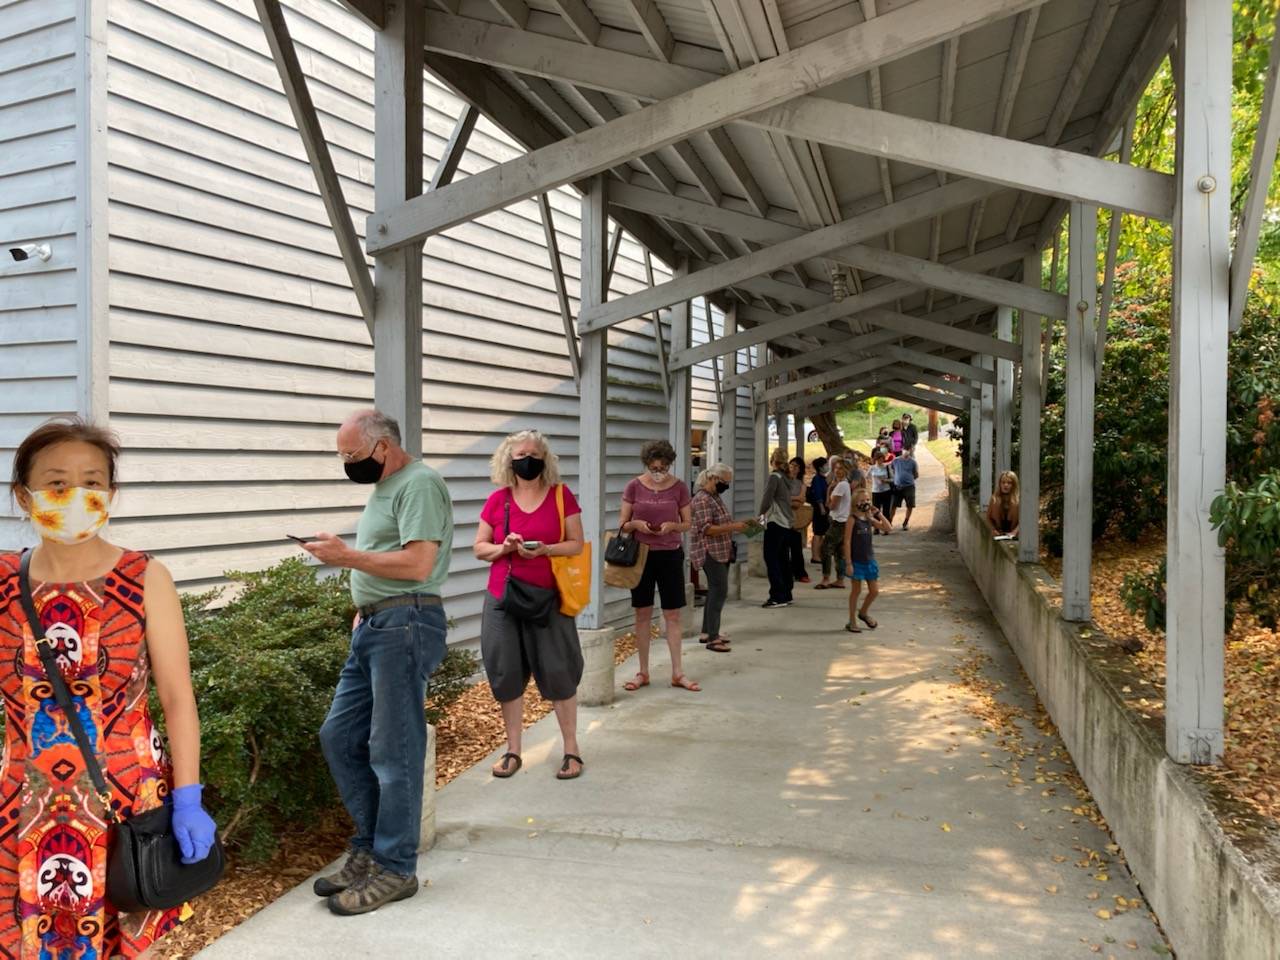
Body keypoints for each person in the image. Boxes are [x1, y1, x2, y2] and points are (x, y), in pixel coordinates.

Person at [0, 418, 217, 956]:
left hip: (123, 806)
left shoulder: (145, 578)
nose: (75, 494)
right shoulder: (3, 581)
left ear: (111, 494)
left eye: (92, 482)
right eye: (55, 483)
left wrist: (188, 797)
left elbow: (176, 698)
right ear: (24, 497)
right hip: (23, 803)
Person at [307, 409, 452, 915]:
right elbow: (384, 559)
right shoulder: (384, 490)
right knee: (340, 737)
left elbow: (418, 563)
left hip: (406, 625)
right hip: (376, 626)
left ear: (383, 446)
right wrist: (362, 610)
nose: (347, 463)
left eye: (352, 455)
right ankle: (369, 849)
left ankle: (396, 868)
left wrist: (346, 558)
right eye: (342, 455)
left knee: (394, 752)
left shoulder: (419, 484)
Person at [475, 430, 585, 781]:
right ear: (509, 460)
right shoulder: (497, 500)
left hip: (548, 596)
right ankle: (513, 750)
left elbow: (576, 544)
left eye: (535, 454)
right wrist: (504, 548)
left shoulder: (560, 496)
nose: (528, 460)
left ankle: (571, 749)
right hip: (503, 598)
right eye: (521, 454)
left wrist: (546, 549)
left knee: (558, 671)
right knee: (506, 672)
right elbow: (480, 548)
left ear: (545, 459)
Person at [619, 440, 699, 693]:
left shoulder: (679, 488)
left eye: (663, 467)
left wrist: (673, 526)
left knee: (672, 614)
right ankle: (643, 671)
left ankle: (678, 672)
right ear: (646, 464)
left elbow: (688, 523)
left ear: (669, 464)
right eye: (654, 467)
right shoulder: (633, 486)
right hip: (641, 555)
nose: (658, 471)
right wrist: (635, 525)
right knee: (642, 613)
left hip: (670, 553)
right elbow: (622, 523)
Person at [690, 464, 747, 653]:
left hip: (722, 550)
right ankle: (713, 638)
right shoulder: (702, 499)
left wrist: (740, 525)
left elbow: (722, 522)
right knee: (719, 590)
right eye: (724, 482)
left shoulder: (715, 497)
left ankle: (707, 631)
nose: (726, 486)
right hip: (709, 551)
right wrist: (733, 527)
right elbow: (707, 529)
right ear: (713, 478)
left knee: (716, 591)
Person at [843, 489, 893, 633]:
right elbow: (846, 541)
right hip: (856, 561)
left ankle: (863, 612)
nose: (865, 503)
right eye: (862, 500)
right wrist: (848, 563)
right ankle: (852, 621)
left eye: (867, 500)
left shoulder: (869, 518)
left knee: (874, 591)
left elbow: (887, 528)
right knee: (856, 590)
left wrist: (879, 514)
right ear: (855, 503)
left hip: (869, 560)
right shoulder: (852, 519)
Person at [758, 448, 795, 609]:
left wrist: (760, 515)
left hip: (775, 521)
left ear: (773, 461)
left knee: (771, 558)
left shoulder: (774, 477)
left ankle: (777, 595)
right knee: (783, 558)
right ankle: (787, 592)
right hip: (786, 522)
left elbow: (767, 499)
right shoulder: (787, 478)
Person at [817, 458, 851, 590]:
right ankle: (840, 579)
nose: (837, 471)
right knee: (839, 551)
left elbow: (831, 506)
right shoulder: (845, 484)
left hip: (838, 522)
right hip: (844, 521)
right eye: (836, 468)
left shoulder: (841, 485)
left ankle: (826, 578)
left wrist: (829, 491)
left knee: (825, 549)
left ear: (846, 470)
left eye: (841, 468)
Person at [787, 457, 810, 583]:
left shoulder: (801, 484)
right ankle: (787, 571)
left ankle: (800, 572)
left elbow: (801, 499)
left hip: (795, 519)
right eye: (791, 465)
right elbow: (782, 498)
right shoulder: (784, 481)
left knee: (796, 547)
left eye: (796, 466)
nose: (793, 468)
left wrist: (791, 499)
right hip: (783, 518)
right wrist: (792, 499)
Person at [807, 456, 830, 565]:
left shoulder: (823, 478)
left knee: (821, 533)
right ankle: (815, 556)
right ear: (820, 467)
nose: (827, 466)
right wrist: (821, 507)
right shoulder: (817, 479)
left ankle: (819, 554)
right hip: (819, 509)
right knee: (818, 532)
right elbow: (818, 494)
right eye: (825, 465)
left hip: (824, 508)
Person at [891, 448, 920, 531]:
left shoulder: (913, 462)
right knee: (893, 505)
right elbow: (892, 469)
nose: (906, 451)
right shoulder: (896, 460)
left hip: (909, 487)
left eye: (908, 449)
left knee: (910, 505)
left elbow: (916, 474)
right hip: (897, 486)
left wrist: (908, 479)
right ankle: (889, 521)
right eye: (905, 449)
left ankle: (906, 522)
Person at [987, 470, 1021, 537]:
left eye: (1009, 483)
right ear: (1000, 484)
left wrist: (1015, 532)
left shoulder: (1019, 500)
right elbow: (988, 517)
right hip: (999, 533)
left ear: (1014, 485)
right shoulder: (994, 499)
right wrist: (993, 529)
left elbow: (1024, 520)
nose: (1005, 485)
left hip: (1015, 535)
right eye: (1003, 482)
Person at [869, 448, 894, 534]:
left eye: (882, 459)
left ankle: (886, 528)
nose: (881, 461)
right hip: (876, 491)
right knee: (876, 510)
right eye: (879, 459)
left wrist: (885, 481)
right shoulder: (872, 468)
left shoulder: (886, 467)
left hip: (886, 490)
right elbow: (865, 477)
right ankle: (876, 528)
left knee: (886, 510)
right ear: (876, 459)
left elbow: (893, 479)